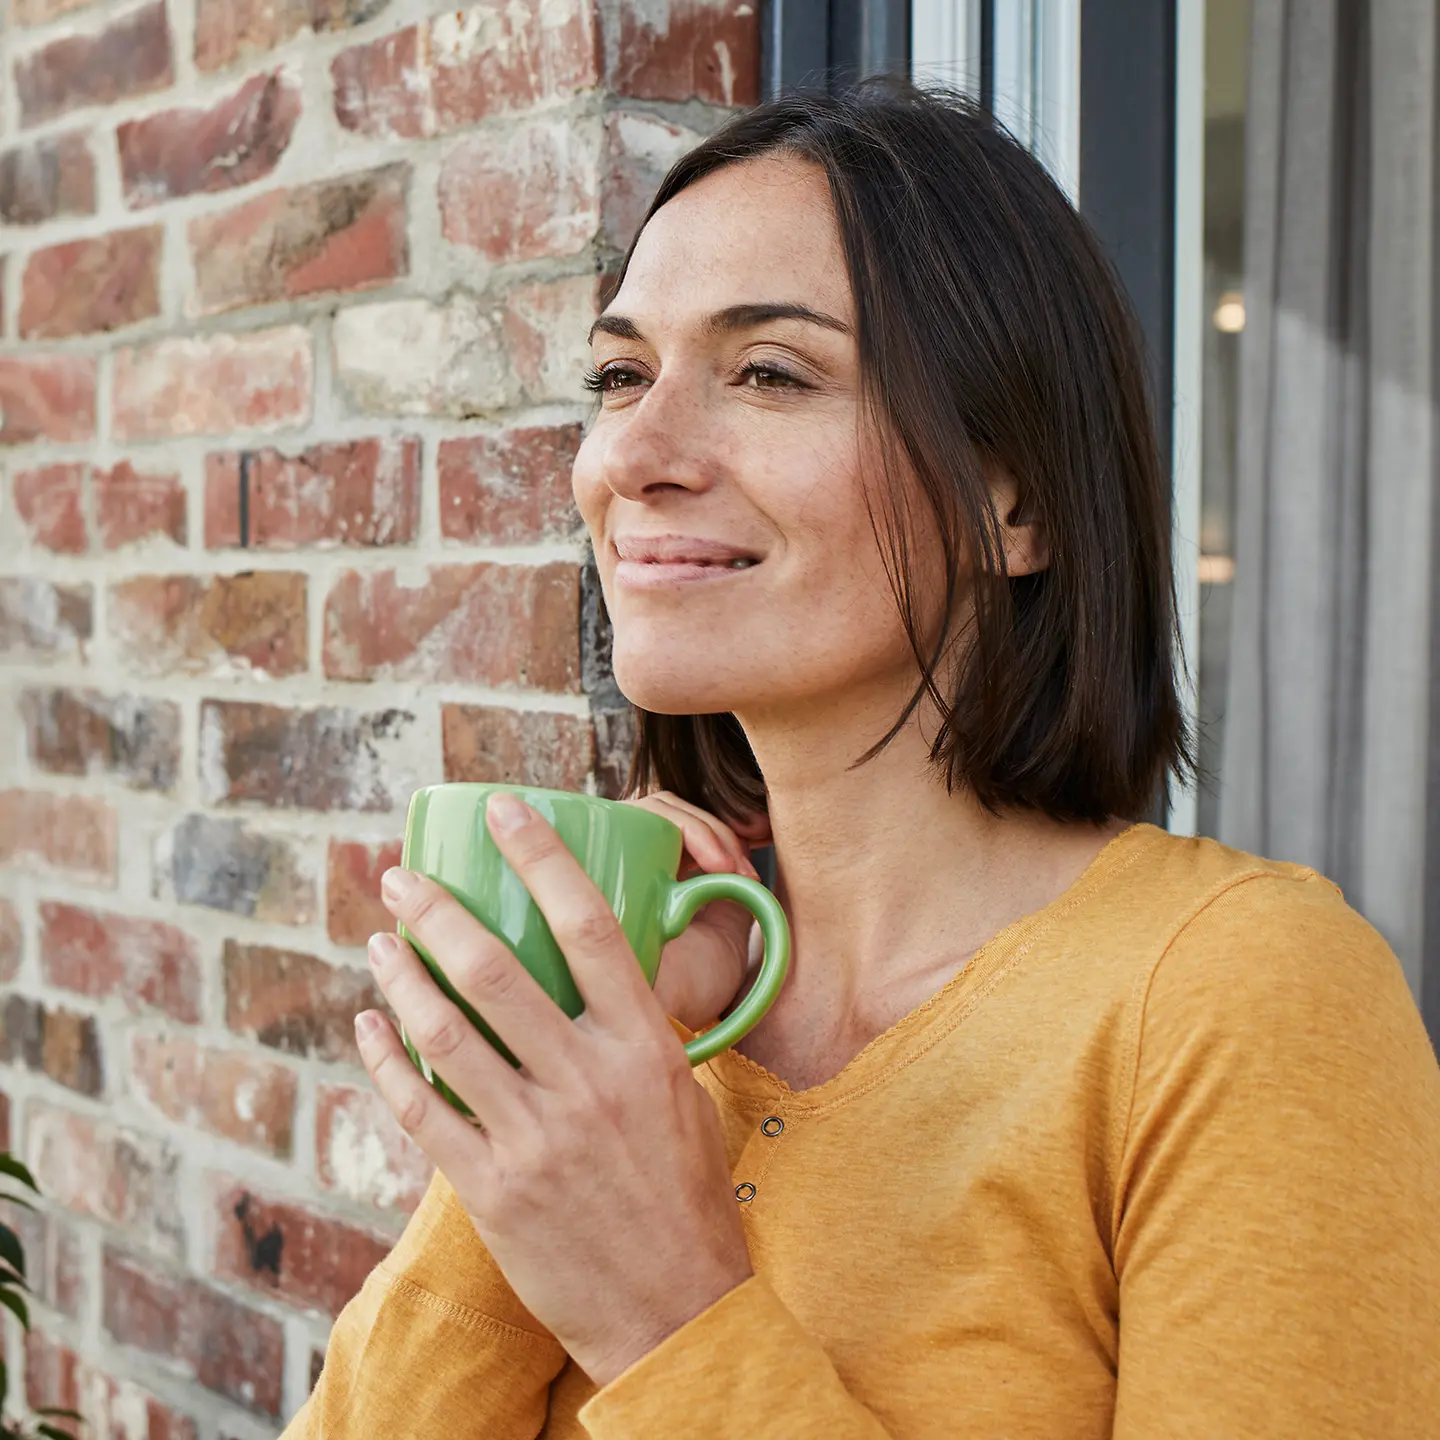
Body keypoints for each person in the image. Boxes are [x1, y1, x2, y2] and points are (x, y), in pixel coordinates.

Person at [283, 82, 1440, 1438]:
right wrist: (544, 1111)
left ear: (1016, 502)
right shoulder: (663, 1007)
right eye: (619, 375)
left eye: (770, 371)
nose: (631, 458)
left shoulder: (1233, 997)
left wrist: (668, 1313)